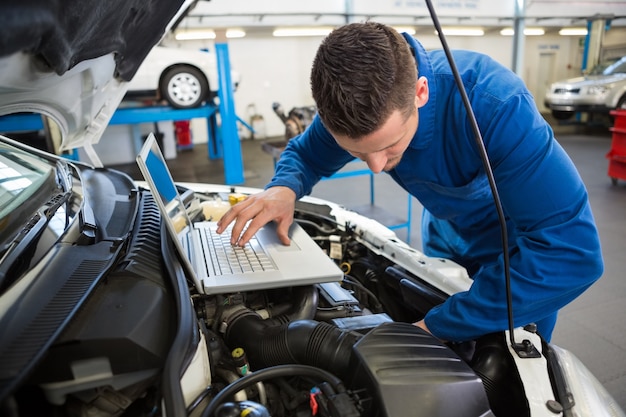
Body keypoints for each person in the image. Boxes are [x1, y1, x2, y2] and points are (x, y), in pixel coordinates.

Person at [216, 21, 604, 343]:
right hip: (444, 235)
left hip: (519, 254)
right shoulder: (351, 105)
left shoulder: (495, 106)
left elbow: (570, 252)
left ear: (420, 92)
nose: (376, 167)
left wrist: (433, 328)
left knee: (509, 357)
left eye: (389, 146)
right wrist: (284, 188)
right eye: (357, 153)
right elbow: (305, 153)